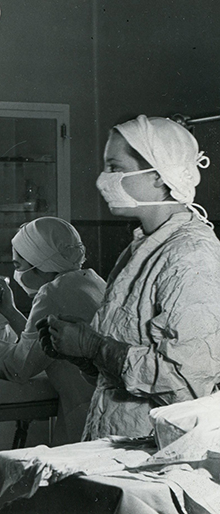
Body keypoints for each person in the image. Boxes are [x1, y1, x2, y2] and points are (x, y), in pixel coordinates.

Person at [38, 115, 220, 440]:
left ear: (158, 176)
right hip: (115, 439)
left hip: (159, 449)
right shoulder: (141, 248)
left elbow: (186, 382)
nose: (102, 180)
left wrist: (93, 346)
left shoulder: (191, 255)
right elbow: (118, 378)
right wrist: (78, 352)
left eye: (114, 168)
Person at [0, 217, 105, 444]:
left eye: (18, 265)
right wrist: (9, 310)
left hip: (88, 414)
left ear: (40, 262)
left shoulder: (53, 292)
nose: (16, 273)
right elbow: (40, 342)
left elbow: (19, 367)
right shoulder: (91, 282)